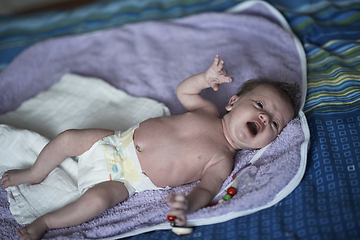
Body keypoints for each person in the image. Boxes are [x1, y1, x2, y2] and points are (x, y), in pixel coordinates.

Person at [1, 54, 299, 240]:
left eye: (275, 124)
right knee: (67, 138)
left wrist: (187, 206)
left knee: (96, 202)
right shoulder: (207, 111)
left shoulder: (222, 160)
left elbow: (205, 191)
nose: (264, 117)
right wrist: (204, 79)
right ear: (233, 102)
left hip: (128, 181)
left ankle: (45, 222)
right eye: (260, 105)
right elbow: (184, 90)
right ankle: (34, 173)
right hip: (115, 141)